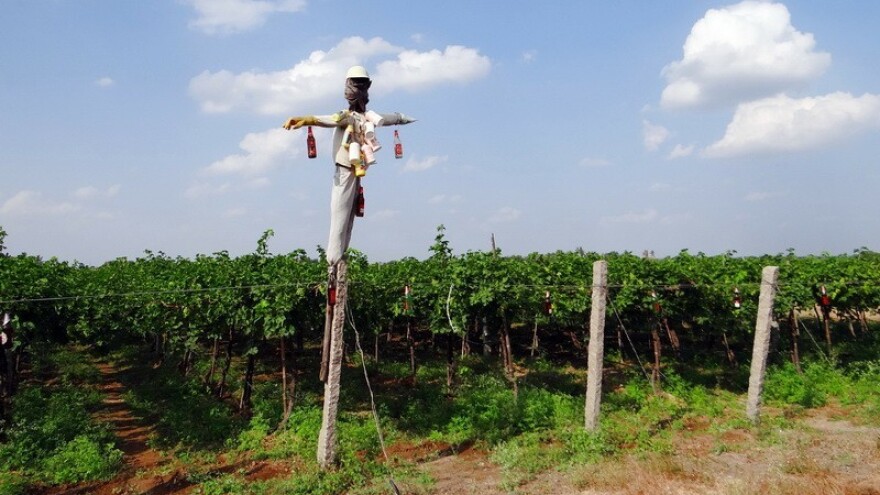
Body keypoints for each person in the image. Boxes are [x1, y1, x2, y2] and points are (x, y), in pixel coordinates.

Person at [282, 65, 416, 268]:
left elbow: (387, 119)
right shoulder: (346, 116)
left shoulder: (367, 117)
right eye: (353, 84)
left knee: (349, 217)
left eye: (360, 85)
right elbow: (327, 120)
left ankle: (339, 258)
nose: (355, 90)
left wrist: (402, 118)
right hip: (344, 170)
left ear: (367, 87)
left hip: (357, 170)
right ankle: (333, 262)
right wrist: (306, 119)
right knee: (339, 214)